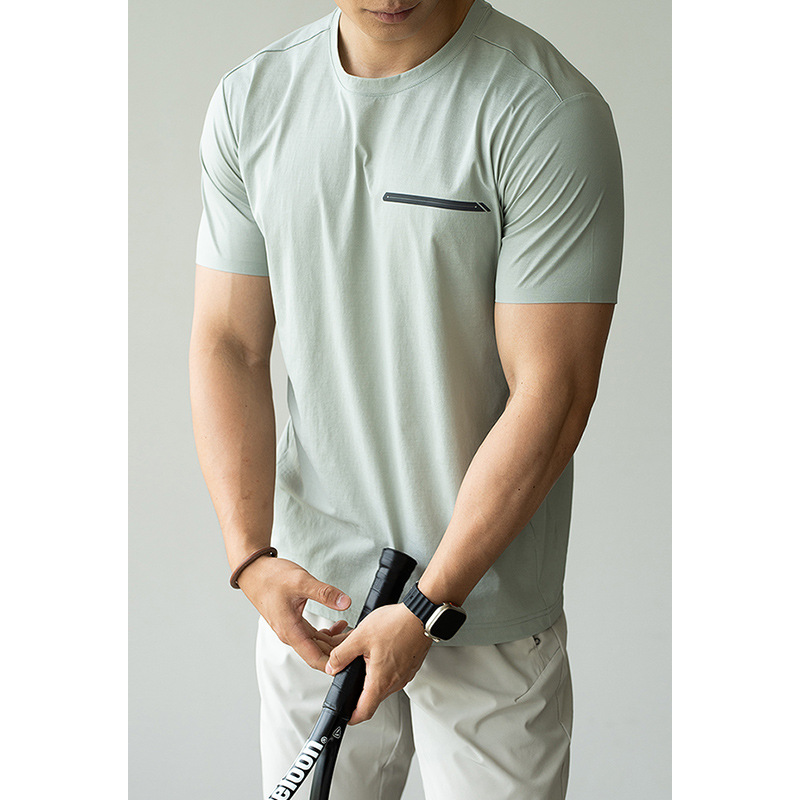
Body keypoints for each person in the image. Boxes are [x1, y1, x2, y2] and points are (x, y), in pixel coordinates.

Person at [189, 1, 624, 797]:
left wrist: (429, 602)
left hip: (482, 613)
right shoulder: (253, 100)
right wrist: (250, 558)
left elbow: (553, 394)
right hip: (315, 606)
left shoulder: (545, 111)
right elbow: (229, 343)